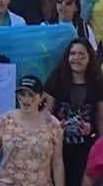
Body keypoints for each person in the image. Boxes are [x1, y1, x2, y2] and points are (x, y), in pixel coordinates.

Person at [0, 75, 64, 186]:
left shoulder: (53, 124)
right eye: (22, 94)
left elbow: (57, 163)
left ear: (41, 97)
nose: (26, 99)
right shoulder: (5, 120)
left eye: (31, 95)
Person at [44, 38, 103, 185]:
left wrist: (94, 131)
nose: (76, 58)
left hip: (87, 147)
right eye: (73, 53)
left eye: (82, 55)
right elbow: (46, 115)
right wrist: (56, 125)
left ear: (90, 58)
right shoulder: (56, 78)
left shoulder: (98, 81)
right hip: (58, 146)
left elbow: (101, 118)